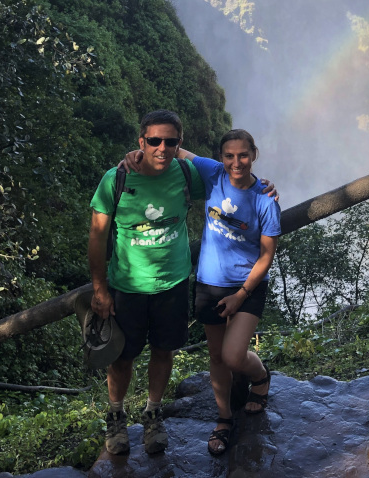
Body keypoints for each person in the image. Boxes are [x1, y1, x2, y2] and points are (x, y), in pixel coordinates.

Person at [89, 111, 276, 456]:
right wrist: (99, 288)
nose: (162, 148)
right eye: (154, 141)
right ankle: (116, 416)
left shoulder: (189, 174)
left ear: (179, 144)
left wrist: (266, 188)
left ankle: (153, 412)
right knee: (123, 357)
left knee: (164, 351)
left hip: (173, 284)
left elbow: (236, 179)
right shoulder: (116, 179)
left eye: (170, 141)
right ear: (140, 141)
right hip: (128, 286)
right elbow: (98, 235)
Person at [186, 129, 280, 456]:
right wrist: (138, 154)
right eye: (229, 155)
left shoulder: (265, 200)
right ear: (221, 157)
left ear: (254, 154)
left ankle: (261, 376)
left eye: (243, 155)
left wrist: (241, 295)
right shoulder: (213, 173)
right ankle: (224, 418)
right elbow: (178, 152)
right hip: (209, 282)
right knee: (215, 356)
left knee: (232, 355)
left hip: (247, 285)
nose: (236, 162)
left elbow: (266, 256)